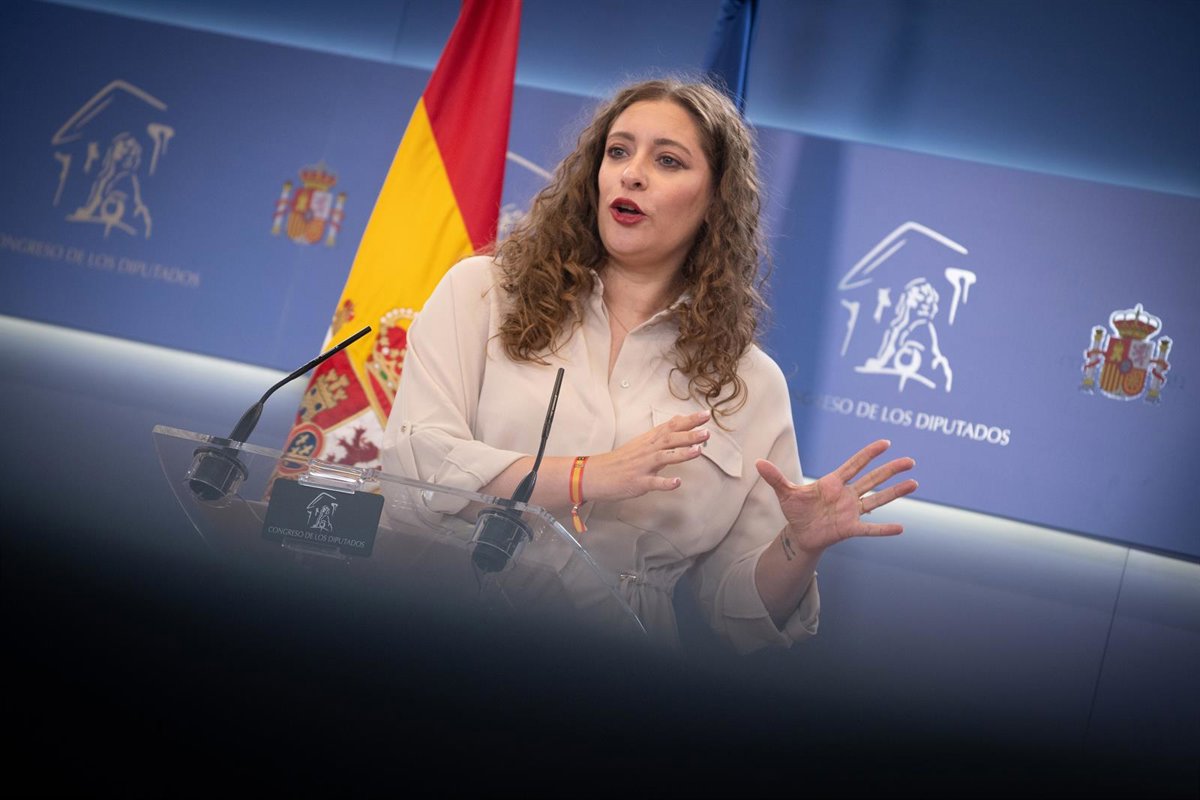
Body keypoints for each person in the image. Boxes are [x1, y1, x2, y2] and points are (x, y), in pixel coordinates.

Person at [381, 78, 917, 653]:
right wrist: (587, 476)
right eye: (618, 151)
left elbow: (736, 611)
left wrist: (800, 547)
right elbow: (415, 466)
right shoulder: (483, 293)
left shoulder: (749, 383)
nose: (631, 174)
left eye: (667, 160)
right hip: (437, 630)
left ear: (716, 200)